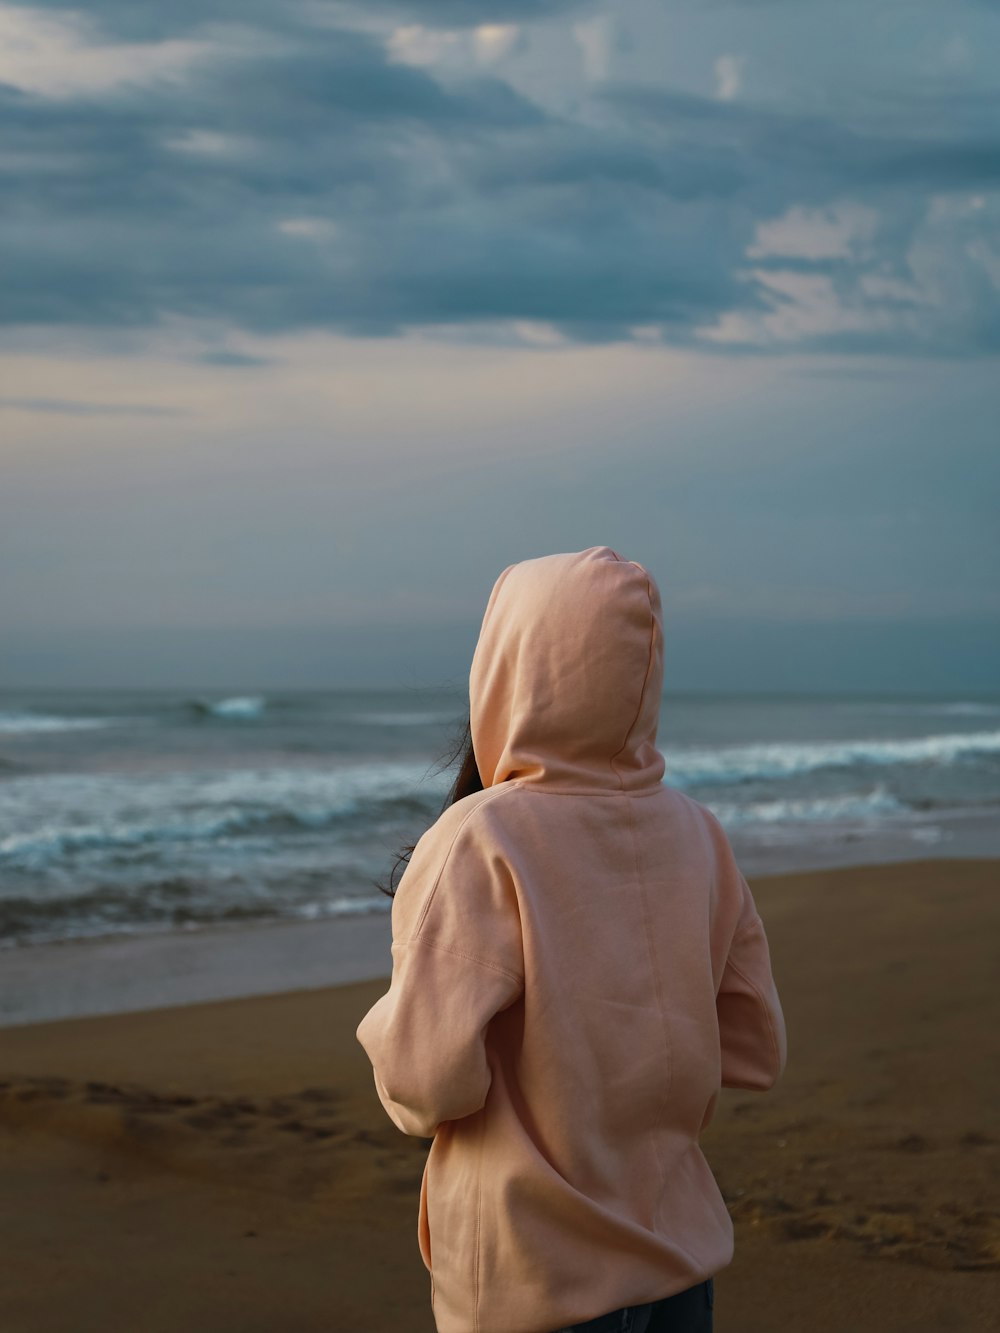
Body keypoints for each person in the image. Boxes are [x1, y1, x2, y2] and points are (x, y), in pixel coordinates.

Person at [356, 546, 788, 1333]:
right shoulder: (699, 835)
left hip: (533, 1277)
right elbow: (755, 1046)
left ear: (507, 664)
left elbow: (423, 1084)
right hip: (676, 1264)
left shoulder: (482, 838)